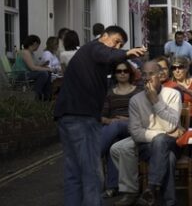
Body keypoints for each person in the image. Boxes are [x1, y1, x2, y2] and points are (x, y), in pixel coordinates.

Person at [54, 25, 146, 206]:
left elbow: (115, 62)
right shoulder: (95, 47)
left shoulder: (94, 57)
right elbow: (109, 54)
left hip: (68, 115)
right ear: (103, 36)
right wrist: (128, 53)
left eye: (121, 45)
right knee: (91, 172)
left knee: (74, 172)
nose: (117, 47)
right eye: (116, 41)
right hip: (82, 117)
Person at [129, 61, 183, 206]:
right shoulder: (135, 100)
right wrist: (163, 134)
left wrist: (155, 102)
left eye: (151, 74)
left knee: (163, 145)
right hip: (147, 147)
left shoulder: (173, 95)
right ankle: (169, 203)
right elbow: (136, 133)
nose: (147, 78)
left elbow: (171, 125)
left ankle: (151, 188)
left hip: (172, 144)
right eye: (144, 74)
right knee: (169, 158)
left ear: (160, 75)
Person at [100, 61, 142, 198]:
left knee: (117, 125)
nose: (122, 73)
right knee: (114, 142)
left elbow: (144, 115)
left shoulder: (138, 91)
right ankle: (113, 187)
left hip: (133, 126)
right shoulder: (110, 93)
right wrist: (110, 121)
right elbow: (102, 117)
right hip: (114, 127)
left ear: (130, 73)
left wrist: (125, 120)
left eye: (125, 71)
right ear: (115, 74)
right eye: (119, 71)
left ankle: (93, 152)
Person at [12, 35, 52, 100]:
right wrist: (47, 68)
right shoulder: (25, 52)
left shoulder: (31, 53)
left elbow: (36, 65)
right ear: (35, 43)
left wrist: (44, 65)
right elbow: (32, 68)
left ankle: (46, 97)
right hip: (20, 75)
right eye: (38, 45)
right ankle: (35, 95)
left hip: (27, 74)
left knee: (47, 73)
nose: (38, 47)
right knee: (43, 73)